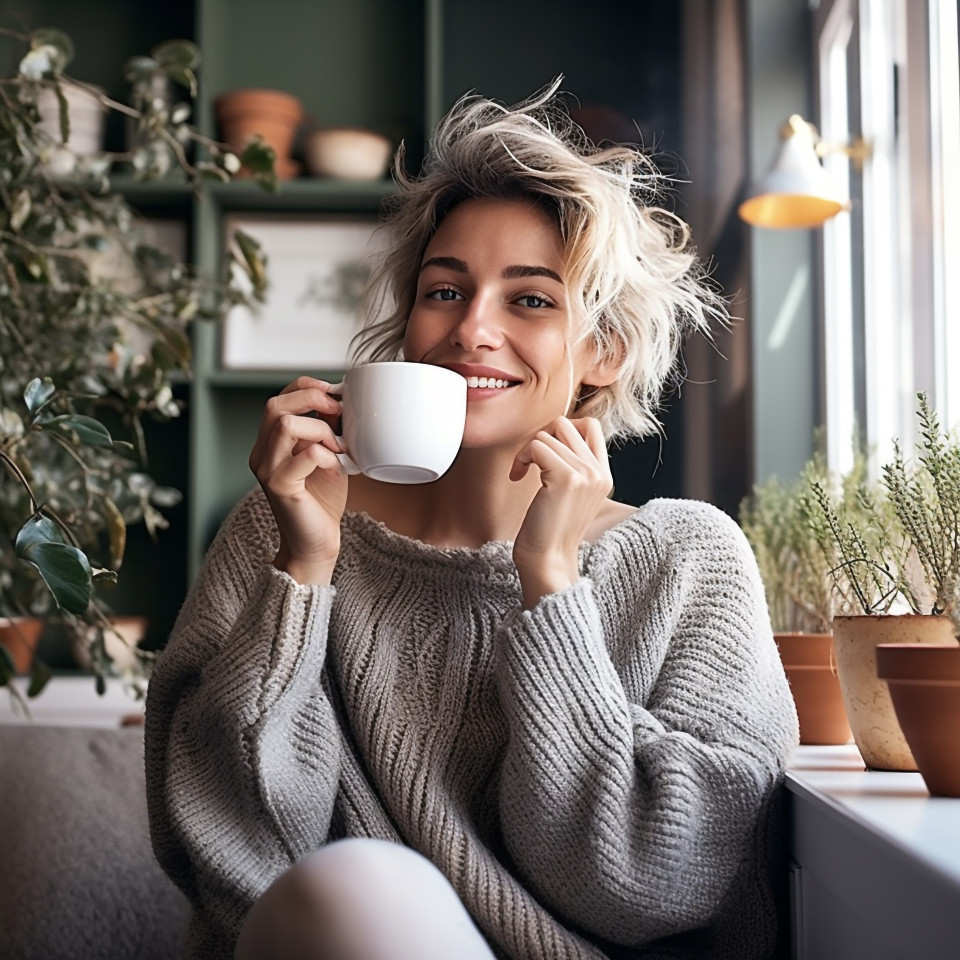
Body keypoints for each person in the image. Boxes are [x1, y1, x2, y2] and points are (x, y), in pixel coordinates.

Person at [144, 78, 799, 960]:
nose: (472, 330)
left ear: (601, 352)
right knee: (354, 891)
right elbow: (230, 856)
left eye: (529, 299)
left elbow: (653, 882)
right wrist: (303, 572)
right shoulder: (284, 530)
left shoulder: (689, 560)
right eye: (444, 291)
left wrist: (551, 585)